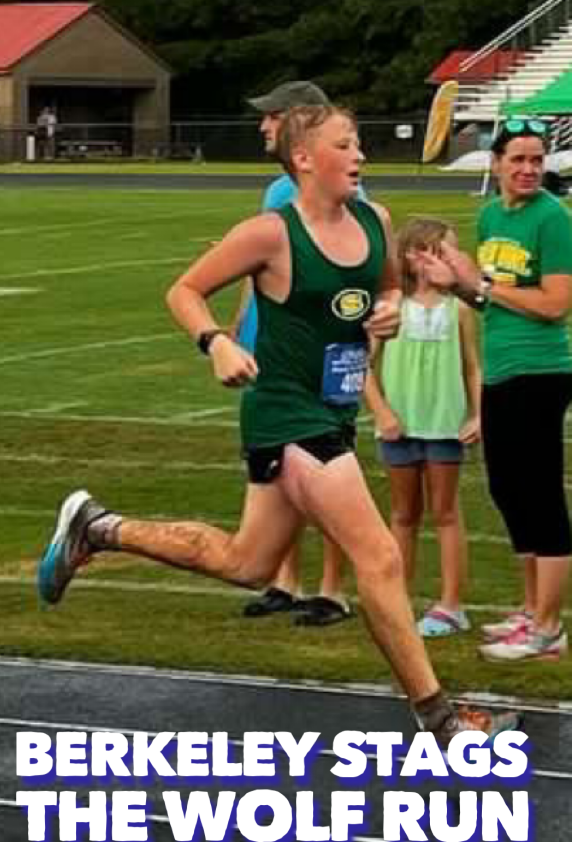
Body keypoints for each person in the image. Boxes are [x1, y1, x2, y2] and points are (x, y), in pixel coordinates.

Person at [38, 104, 520, 746]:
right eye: (345, 145)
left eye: (358, 144)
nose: (360, 155)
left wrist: (388, 310)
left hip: (333, 412)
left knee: (248, 562)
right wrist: (215, 342)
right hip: (287, 414)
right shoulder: (270, 234)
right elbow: (184, 291)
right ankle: (441, 720)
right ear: (303, 158)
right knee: (379, 557)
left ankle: (99, 527)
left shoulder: (375, 221)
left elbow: (387, 288)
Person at [420, 117, 572, 662]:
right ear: (497, 163)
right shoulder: (489, 216)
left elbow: (556, 304)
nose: (529, 169)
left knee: (541, 495)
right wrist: (458, 287)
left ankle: (549, 629)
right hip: (502, 369)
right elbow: (491, 301)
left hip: (542, 370)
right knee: (509, 490)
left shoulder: (553, 219)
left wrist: (480, 283)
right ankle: (531, 610)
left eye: (537, 160)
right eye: (518, 159)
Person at [233, 81, 351, 627]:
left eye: (273, 116)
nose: (264, 125)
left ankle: (332, 589)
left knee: (328, 473)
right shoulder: (276, 191)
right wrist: (239, 327)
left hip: (312, 354)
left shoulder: (335, 188)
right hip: (269, 347)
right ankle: (285, 579)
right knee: (275, 471)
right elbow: (256, 268)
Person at [364, 217, 481, 638]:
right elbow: (363, 366)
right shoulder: (389, 308)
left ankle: (452, 605)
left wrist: (477, 414)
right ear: (415, 257)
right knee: (403, 514)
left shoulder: (459, 309)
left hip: (444, 425)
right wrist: (382, 413)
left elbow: (472, 367)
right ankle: (399, 600)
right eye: (442, 251)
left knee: (446, 513)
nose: (451, 259)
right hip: (399, 426)